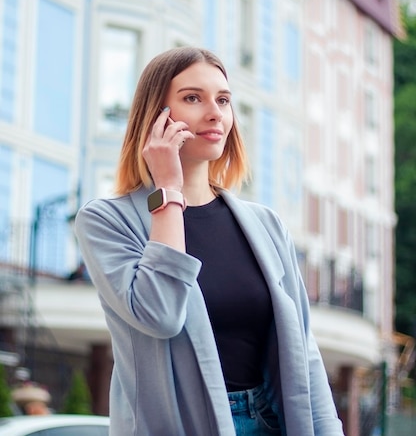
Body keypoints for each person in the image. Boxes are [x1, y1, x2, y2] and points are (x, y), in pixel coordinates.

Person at [75, 46, 345, 436]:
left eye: (223, 99)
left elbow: (304, 351)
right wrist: (167, 189)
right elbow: (160, 314)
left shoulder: (265, 225)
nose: (215, 112)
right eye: (192, 98)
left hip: (272, 421)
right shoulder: (106, 220)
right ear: (156, 117)